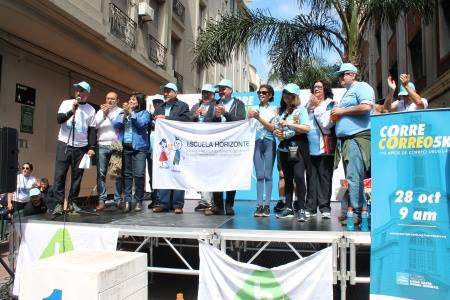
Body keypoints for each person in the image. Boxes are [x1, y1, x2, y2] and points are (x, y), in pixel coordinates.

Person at [331, 63, 373, 225]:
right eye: (339, 75)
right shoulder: (348, 92)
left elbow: (366, 106)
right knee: (352, 177)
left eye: (343, 74)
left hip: (357, 138)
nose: (340, 78)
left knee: (354, 176)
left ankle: (357, 213)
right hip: (348, 140)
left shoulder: (362, 86)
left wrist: (341, 112)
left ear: (353, 75)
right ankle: (354, 210)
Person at [52, 81, 96, 215]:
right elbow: (59, 119)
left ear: (87, 93)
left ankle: (73, 202)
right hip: (64, 143)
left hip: (81, 147)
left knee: (77, 176)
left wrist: (91, 146)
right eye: (77, 89)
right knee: (60, 175)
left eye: (82, 90)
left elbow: (92, 130)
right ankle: (58, 204)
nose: (79, 92)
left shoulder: (91, 109)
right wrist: (72, 110)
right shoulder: (66, 103)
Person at [204, 79, 246, 216]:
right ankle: (217, 205)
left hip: (232, 145)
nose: (221, 91)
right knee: (216, 174)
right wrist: (216, 116)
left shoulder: (239, 104)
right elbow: (207, 122)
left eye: (224, 88)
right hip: (216, 144)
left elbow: (241, 120)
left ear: (230, 90)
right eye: (220, 89)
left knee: (230, 174)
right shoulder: (213, 104)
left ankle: (229, 205)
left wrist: (225, 113)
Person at [274, 84, 311, 222]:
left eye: (290, 95)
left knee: (299, 177)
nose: (287, 97)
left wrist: (289, 125)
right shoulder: (282, 112)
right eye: (285, 94)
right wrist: (276, 132)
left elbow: (306, 128)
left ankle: (301, 208)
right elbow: (278, 129)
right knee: (287, 179)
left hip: (296, 147)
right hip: (283, 148)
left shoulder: (301, 110)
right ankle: (288, 208)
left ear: (295, 97)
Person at [152, 83, 190, 214]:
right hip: (163, 147)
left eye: (168, 91)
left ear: (175, 92)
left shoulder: (183, 106)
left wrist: (166, 118)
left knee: (178, 171)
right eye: (164, 91)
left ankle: (178, 204)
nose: (166, 93)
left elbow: (186, 119)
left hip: (178, 145)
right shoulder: (160, 107)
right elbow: (154, 124)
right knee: (163, 171)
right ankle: (163, 203)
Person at [113, 92, 151, 212]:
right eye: (130, 99)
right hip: (125, 147)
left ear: (139, 102)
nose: (130, 101)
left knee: (139, 175)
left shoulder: (144, 113)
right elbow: (115, 124)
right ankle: (128, 201)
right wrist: (124, 115)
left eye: (133, 100)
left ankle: (139, 200)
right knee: (127, 175)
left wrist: (131, 115)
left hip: (139, 148)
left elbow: (142, 125)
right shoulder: (123, 113)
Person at [305, 80, 335, 219]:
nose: (316, 89)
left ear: (325, 89)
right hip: (310, 148)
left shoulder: (330, 104)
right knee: (311, 178)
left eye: (319, 87)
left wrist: (317, 107)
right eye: (314, 87)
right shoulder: (307, 105)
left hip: (324, 147)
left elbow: (327, 125)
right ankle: (311, 208)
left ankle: (324, 207)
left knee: (324, 178)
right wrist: (309, 107)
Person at [247, 84, 278, 217]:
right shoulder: (253, 108)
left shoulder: (275, 109)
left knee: (268, 175)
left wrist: (258, 118)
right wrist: (249, 117)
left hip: (269, 141)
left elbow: (272, 128)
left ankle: (267, 206)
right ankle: (259, 205)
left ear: (270, 95)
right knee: (259, 176)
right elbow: (246, 126)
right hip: (256, 143)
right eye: (259, 92)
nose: (261, 94)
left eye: (264, 93)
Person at [95, 91, 124, 211]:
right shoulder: (100, 111)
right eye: (108, 98)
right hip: (102, 144)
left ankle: (117, 200)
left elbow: (119, 125)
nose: (109, 101)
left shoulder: (120, 111)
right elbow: (95, 125)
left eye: (112, 99)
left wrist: (108, 115)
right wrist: (103, 114)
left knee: (117, 173)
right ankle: (102, 200)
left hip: (115, 145)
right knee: (101, 174)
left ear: (117, 100)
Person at [190, 84, 217, 211]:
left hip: (210, 142)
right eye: (204, 93)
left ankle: (210, 201)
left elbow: (216, 121)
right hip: (196, 143)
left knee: (209, 172)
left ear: (213, 95)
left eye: (208, 93)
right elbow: (187, 121)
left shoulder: (215, 106)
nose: (205, 95)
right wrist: (195, 116)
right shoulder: (196, 106)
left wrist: (206, 115)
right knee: (199, 171)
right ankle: (204, 200)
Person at [146, 95, 164, 209]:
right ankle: (154, 198)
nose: (156, 104)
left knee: (162, 175)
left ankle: (163, 199)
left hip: (162, 152)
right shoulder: (149, 117)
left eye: (159, 102)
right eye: (154, 102)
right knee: (152, 176)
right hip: (150, 150)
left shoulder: (164, 117)